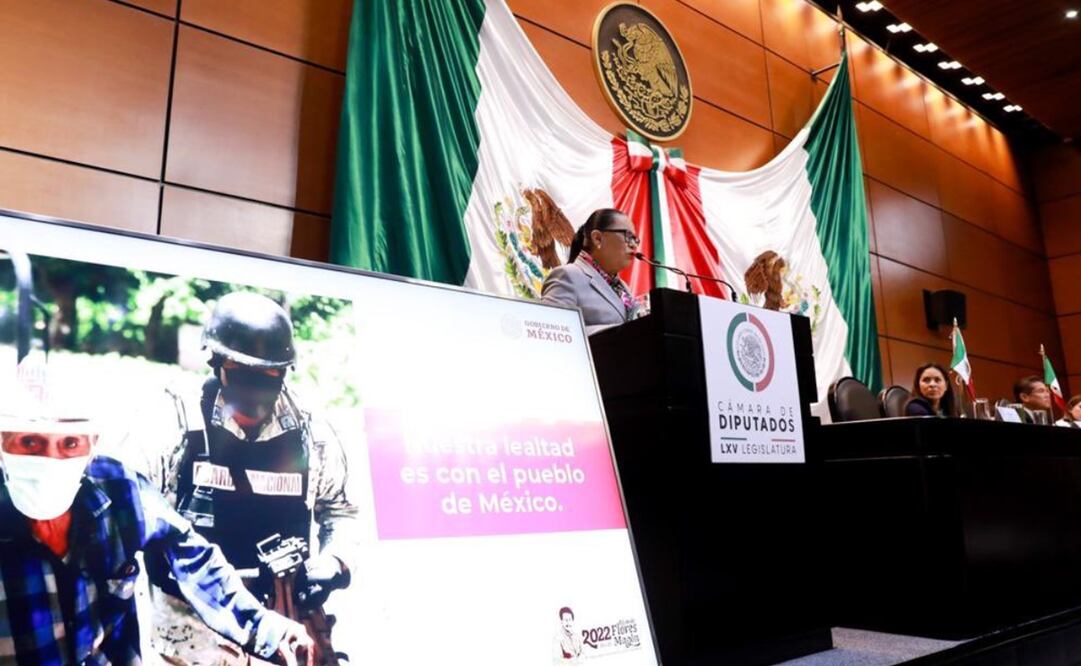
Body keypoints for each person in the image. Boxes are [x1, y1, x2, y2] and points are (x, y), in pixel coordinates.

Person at [131, 291, 359, 664]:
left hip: (285, 633)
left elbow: (343, 511)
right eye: (242, 375)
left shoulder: (310, 431)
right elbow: (128, 505)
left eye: (269, 377)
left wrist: (335, 562)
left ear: (285, 371)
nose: (255, 391)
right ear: (217, 363)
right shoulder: (173, 419)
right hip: (191, 639)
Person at [0, 403, 312, 665]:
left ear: (91, 444)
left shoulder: (120, 490)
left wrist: (266, 628)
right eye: (30, 443)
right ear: (3, 443)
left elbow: (194, 557)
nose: (51, 461)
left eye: (70, 444)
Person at [541, 208, 641, 335]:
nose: (633, 245)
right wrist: (615, 333)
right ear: (597, 238)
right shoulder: (567, 276)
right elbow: (550, 332)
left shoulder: (623, 287)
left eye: (636, 239)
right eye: (628, 236)